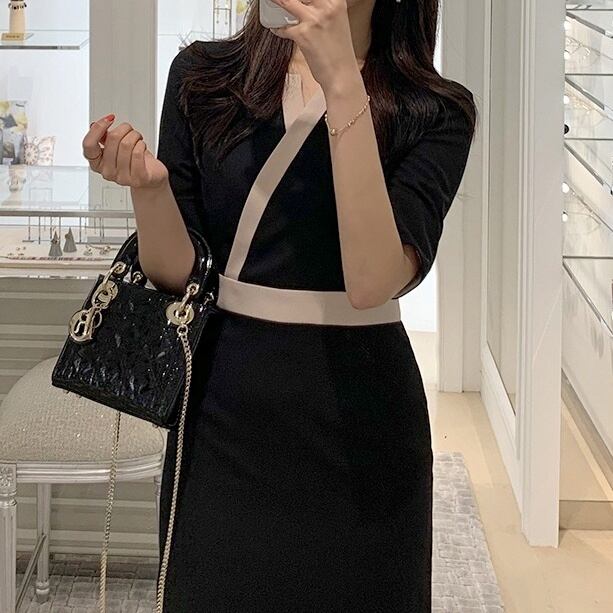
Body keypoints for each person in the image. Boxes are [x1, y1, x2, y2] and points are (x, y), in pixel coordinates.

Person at [82, 0, 477, 609]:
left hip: (362, 421)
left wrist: (341, 78)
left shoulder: (435, 109)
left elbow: (373, 280)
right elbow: (177, 275)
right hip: (223, 410)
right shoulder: (205, 77)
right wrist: (150, 191)